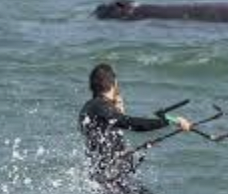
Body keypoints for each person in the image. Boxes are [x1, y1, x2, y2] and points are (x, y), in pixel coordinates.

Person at [79, 63, 192, 194]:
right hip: (111, 180)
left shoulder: (89, 109)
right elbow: (131, 123)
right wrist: (170, 121)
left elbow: (107, 140)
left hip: (104, 177)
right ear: (114, 83)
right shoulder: (101, 107)